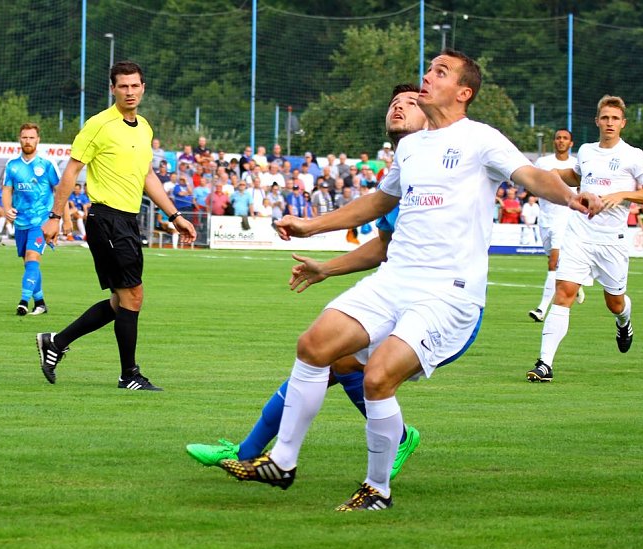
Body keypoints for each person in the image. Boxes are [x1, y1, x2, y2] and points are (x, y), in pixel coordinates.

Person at [218, 50, 598, 510]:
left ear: (463, 92)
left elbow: (534, 176)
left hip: (447, 292)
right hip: (395, 279)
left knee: (377, 377)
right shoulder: (412, 147)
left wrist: (572, 195)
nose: (427, 75)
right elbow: (380, 202)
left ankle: (377, 490)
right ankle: (282, 461)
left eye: (440, 71)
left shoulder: (481, 138)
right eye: (428, 68)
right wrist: (313, 226)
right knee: (313, 346)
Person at [187, 83, 429, 482]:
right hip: (396, 291)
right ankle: (252, 453)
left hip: (436, 302)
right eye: (394, 103)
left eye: (410, 102)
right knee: (324, 356)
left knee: (332, 362)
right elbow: (382, 248)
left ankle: (254, 454)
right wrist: (326, 268)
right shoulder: (397, 177)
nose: (399, 107)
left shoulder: (449, 166)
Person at [36, 60, 196, 391]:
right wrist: (54, 216)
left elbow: (147, 176)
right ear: (112, 89)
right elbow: (71, 170)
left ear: (143, 88)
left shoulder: (145, 127)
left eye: (135, 85)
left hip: (127, 220)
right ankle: (129, 375)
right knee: (133, 296)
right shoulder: (98, 125)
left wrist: (175, 216)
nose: (129, 91)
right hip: (105, 219)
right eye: (123, 86)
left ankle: (56, 342)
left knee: (122, 300)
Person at [527, 95, 643, 383]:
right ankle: (544, 364)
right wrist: (549, 174)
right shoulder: (587, 151)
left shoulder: (633, 155)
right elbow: (575, 176)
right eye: (605, 118)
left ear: (623, 123)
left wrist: (623, 194)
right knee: (564, 291)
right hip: (579, 233)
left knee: (614, 302)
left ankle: (624, 322)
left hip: (612, 240)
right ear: (597, 121)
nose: (609, 123)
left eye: (615, 118)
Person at [1, 123, 60, 315]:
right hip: (21, 222)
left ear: (38, 140)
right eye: (25, 137)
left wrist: (63, 220)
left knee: (33, 258)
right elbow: (7, 190)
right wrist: (7, 209)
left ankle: (23, 302)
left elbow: (60, 191)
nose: (28, 141)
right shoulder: (12, 165)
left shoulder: (47, 165)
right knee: (28, 263)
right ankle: (41, 303)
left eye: (31, 137)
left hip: (41, 221)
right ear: (20, 139)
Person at [528, 129, 586, 322]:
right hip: (545, 219)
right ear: (554, 141)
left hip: (566, 220)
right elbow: (533, 184)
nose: (561, 141)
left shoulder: (575, 166)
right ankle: (574, 283)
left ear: (571, 143)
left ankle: (541, 309)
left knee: (553, 263)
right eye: (558, 138)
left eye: (565, 138)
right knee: (557, 264)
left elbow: (581, 191)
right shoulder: (543, 163)